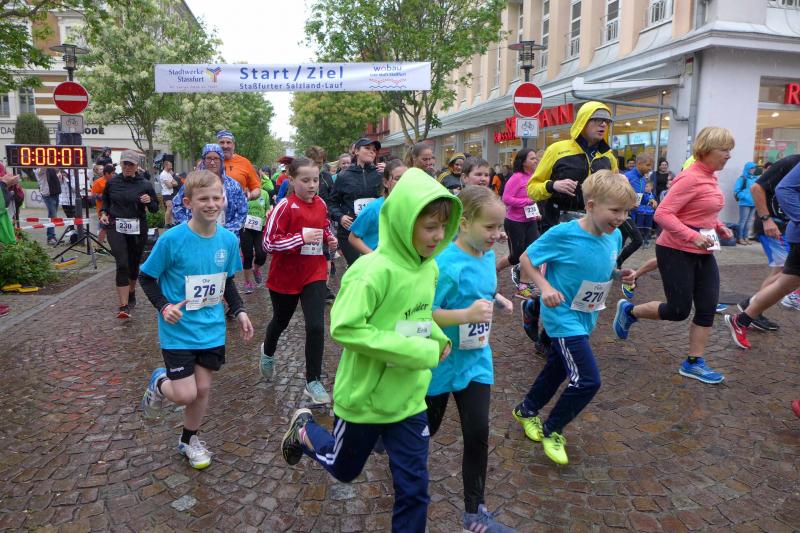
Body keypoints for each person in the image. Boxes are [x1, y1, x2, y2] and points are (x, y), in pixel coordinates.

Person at [280, 168, 461, 533]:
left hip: (409, 400)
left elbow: (417, 316)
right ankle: (304, 431)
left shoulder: (429, 269)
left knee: (415, 490)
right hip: (364, 401)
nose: (439, 236)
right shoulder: (371, 270)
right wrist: (419, 353)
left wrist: (439, 338)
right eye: (430, 227)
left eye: (444, 227)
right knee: (344, 469)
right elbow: (345, 328)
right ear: (404, 222)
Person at [512, 170, 636, 465]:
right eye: (615, 210)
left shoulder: (615, 235)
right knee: (588, 380)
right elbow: (526, 259)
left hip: (587, 316)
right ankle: (552, 429)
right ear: (591, 206)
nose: (621, 218)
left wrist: (620, 274)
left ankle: (526, 410)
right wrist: (544, 288)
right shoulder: (563, 234)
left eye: (626, 211)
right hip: (562, 315)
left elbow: (601, 268)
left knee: (557, 367)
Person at [138, 170, 254, 469]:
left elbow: (227, 281)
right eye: (204, 199)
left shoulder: (228, 240)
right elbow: (146, 277)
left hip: (212, 330)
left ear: (224, 199)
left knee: (202, 390)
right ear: (188, 203)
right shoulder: (172, 240)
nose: (211, 204)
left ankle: (189, 440)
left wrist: (239, 310)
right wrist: (164, 306)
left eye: (217, 198)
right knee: (184, 394)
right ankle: (160, 381)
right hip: (178, 331)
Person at [613, 127, 735, 384]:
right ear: (706, 150)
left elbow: (701, 212)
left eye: (730, 150)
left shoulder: (710, 177)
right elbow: (663, 214)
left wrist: (718, 226)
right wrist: (692, 236)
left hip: (704, 251)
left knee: (707, 306)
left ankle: (693, 362)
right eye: (724, 150)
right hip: (675, 250)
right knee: (678, 310)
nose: (729, 155)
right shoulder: (690, 177)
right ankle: (630, 311)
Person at [425, 185, 515, 531]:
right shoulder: (444, 264)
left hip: (476, 360)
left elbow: (482, 288)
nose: (497, 234)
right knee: (426, 429)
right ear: (463, 224)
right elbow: (424, 315)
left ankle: (474, 513)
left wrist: (496, 298)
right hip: (440, 361)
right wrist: (465, 314)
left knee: (478, 431)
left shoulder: (487, 255)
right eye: (489, 227)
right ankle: (388, 446)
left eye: (499, 227)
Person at [259, 157, 338, 403]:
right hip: (285, 277)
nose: (312, 185)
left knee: (316, 326)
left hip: (314, 273)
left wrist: (329, 238)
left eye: (315, 180)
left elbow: (323, 227)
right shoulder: (285, 206)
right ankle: (268, 350)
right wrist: (300, 239)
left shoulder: (321, 203)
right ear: (292, 180)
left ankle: (313, 381)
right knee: (280, 322)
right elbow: (268, 243)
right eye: (305, 180)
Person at [724, 158, 800, 349]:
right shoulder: (791, 162)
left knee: (785, 276)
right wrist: (766, 220)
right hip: (773, 225)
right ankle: (752, 310)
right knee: (781, 271)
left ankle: (749, 311)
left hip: (786, 225)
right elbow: (757, 188)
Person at [527, 102, 618, 231]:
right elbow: (532, 189)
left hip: (595, 225)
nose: (603, 124)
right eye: (597, 120)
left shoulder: (608, 156)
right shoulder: (556, 150)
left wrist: (622, 186)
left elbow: (616, 192)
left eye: (606, 121)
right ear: (583, 121)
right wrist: (553, 185)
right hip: (558, 225)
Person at [99, 150, 160, 319]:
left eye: (130, 164)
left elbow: (155, 209)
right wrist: (103, 214)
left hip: (137, 228)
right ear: (120, 164)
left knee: (133, 265)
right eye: (125, 163)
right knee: (122, 263)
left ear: (136, 166)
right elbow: (105, 201)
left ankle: (131, 291)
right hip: (116, 226)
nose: (127, 167)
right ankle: (123, 305)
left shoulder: (145, 184)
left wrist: (149, 201)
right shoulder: (112, 182)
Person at [328, 138, 382, 266]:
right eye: (367, 148)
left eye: (374, 150)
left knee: (374, 266)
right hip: (349, 231)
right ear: (356, 151)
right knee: (358, 266)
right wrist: (340, 217)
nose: (372, 152)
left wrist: (390, 172)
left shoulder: (380, 174)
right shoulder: (343, 176)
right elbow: (331, 203)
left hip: (374, 231)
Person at [172, 144, 248, 234]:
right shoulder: (193, 183)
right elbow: (176, 205)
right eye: (208, 158)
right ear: (203, 160)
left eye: (216, 158)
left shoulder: (233, 185)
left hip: (225, 236)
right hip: (196, 235)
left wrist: (227, 231)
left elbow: (242, 210)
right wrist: (190, 226)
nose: (212, 162)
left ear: (221, 160)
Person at [497, 149, 541, 299]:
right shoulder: (516, 178)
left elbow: (534, 199)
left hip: (531, 221)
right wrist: (526, 202)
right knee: (516, 256)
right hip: (515, 222)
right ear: (523, 162)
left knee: (531, 253)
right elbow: (506, 198)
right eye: (532, 158)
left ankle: (523, 287)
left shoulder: (535, 177)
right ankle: (495, 269)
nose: (536, 160)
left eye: (536, 158)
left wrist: (536, 212)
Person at [348, 159, 406, 255]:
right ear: (385, 182)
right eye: (397, 178)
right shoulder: (373, 208)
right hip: (376, 262)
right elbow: (353, 238)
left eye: (406, 178)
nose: (403, 182)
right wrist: (374, 256)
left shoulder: (411, 206)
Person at [617, 153, 652, 269]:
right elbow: (617, 195)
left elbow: (641, 198)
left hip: (632, 215)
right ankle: (617, 263)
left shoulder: (643, 180)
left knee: (620, 242)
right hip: (622, 214)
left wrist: (650, 200)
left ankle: (613, 265)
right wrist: (628, 205)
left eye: (651, 165)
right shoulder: (627, 177)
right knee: (638, 240)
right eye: (648, 165)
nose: (650, 168)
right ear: (639, 163)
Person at [240, 176, 271, 293]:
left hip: (260, 228)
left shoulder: (264, 193)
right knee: (247, 255)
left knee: (262, 254)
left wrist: (268, 212)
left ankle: (256, 269)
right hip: (245, 228)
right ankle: (247, 282)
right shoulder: (242, 193)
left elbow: (267, 208)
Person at [216, 130, 261, 200]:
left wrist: (250, 196)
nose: (225, 146)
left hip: (239, 205)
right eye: (222, 142)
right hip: (213, 206)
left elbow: (256, 188)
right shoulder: (208, 162)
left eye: (228, 142)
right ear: (216, 145)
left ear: (233, 145)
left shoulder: (245, 163)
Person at [90, 164, 115, 247]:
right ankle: (99, 246)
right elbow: (93, 195)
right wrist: (104, 196)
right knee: (103, 228)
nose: (114, 175)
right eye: (112, 173)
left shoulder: (114, 181)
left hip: (114, 208)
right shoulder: (98, 182)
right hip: (102, 209)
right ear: (107, 173)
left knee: (112, 228)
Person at [36, 167, 62, 246]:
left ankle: (51, 237)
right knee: (53, 216)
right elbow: (42, 169)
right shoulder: (39, 170)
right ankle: (51, 237)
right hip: (48, 195)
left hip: (55, 193)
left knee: (52, 216)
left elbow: (58, 170)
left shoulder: (52, 169)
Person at [734, 162, 758, 245]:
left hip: (753, 203)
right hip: (744, 203)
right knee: (743, 221)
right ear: (747, 168)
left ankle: (746, 237)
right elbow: (737, 191)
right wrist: (745, 197)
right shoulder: (742, 178)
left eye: (754, 168)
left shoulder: (755, 179)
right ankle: (739, 238)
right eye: (751, 168)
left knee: (749, 221)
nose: (753, 170)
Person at [635, 181, 658, 247]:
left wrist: (654, 206)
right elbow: (644, 200)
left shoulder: (653, 195)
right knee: (639, 226)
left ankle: (646, 240)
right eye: (645, 186)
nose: (646, 188)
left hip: (649, 213)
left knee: (648, 227)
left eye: (647, 186)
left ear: (651, 187)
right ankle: (640, 240)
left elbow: (654, 204)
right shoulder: (641, 194)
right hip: (640, 212)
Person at [158, 160, 179, 227]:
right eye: (170, 166)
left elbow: (176, 183)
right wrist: (172, 183)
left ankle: (170, 223)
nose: (171, 167)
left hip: (171, 193)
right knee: (169, 208)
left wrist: (172, 183)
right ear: (165, 166)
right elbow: (169, 186)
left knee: (171, 208)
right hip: (166, 193)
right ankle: (166, 224)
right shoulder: (163, 174)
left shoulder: (169, 174)